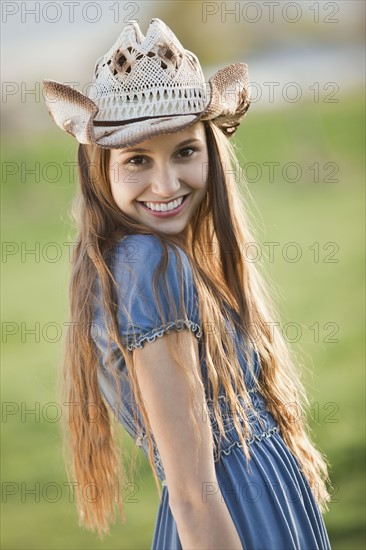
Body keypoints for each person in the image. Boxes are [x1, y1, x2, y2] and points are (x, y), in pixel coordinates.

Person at [43, 17, 332, 549]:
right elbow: (194, 494)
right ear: (100, 173)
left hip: (257, 511)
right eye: (137, 161)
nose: (166, 184)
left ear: (210, 152)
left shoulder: (173, 260)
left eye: (184, 152)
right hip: (230, 522)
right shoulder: (146, 264)